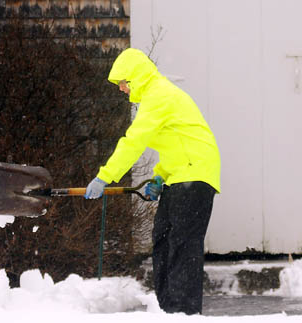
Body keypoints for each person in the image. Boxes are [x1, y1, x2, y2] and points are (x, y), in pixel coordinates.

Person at [84, 47, 221, 315]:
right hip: (182, 174)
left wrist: (104, 176)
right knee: (163, 238)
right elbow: (174, 145)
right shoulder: (155, 97)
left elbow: (134, 142)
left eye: (122, 82)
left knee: (183, 244)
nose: (121, 89)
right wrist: (159, 176)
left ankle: (184, 313)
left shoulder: (159, 94)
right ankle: (169, 309)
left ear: (135, 77)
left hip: (195, 175)